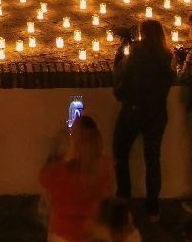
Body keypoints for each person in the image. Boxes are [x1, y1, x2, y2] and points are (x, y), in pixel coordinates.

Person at [112, 19, 175, 222]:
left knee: (120, 155)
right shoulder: (167, 56)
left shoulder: (137, 54)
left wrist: (122, 49)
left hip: (133, 112)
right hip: (157, 115)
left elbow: (121, 74)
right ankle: (152, 207)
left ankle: (124, 201)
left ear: (143, 34)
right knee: (153, 159)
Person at [39, 114, 114, 242]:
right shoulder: (105, 167)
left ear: (73, 142)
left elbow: (44, 181)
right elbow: (107, 196)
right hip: (92, 233)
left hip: (63, 234)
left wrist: (58, 151)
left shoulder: (59, 172)